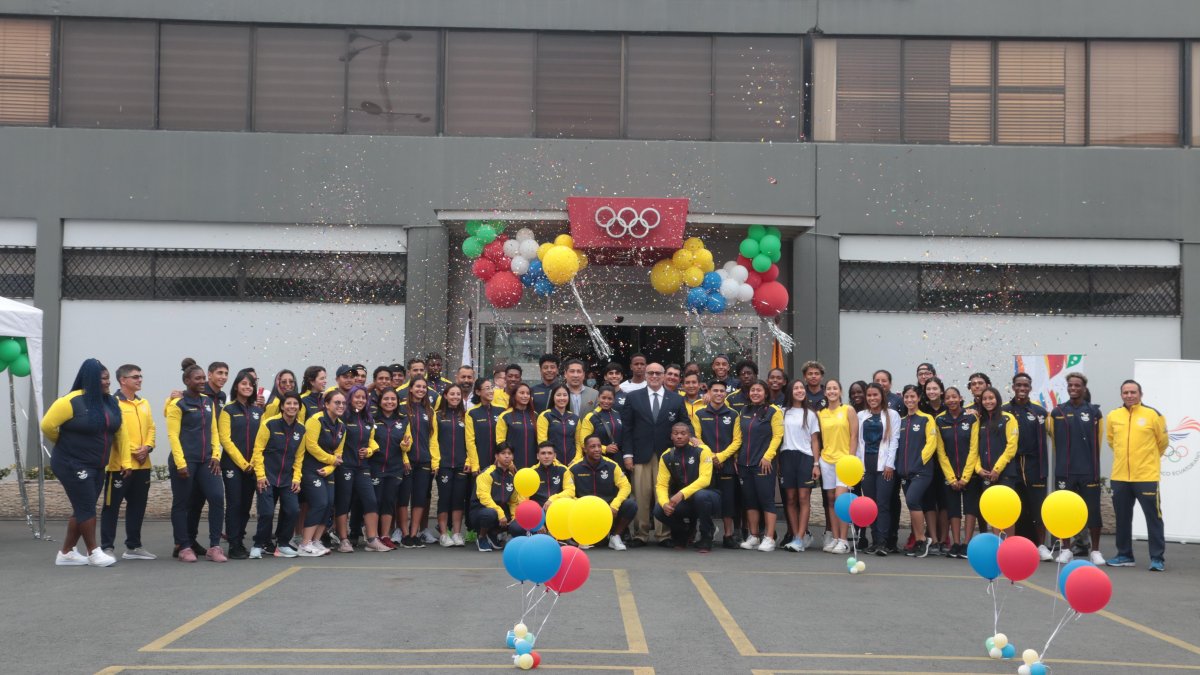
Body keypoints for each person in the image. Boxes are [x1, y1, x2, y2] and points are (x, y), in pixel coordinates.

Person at [42, 358, 127, 567]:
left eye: (108, 378)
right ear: (89, 380)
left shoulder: (110, 402)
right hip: (71, 462)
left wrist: (124, 460)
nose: (108, 383)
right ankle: (93, 552)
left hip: (97, 465)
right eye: (103, 379)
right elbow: (47, 426)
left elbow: (119, 431)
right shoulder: (71, 401)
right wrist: (63, 443)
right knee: (86, 506)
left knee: (83, 506)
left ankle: (66, 553)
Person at [166, 360, 226, 563]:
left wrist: (216, 455)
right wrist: (181, 463)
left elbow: (214, 430)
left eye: (203, 378)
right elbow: (173, 436)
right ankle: (183, 546)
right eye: (197, 378)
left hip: (207, 461)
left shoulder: (208, 402)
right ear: (186, 380)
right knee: (182, 503)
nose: (202, 382)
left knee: (217, 498)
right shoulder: (178, 403)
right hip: (184, 461)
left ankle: (215, 546)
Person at [1105, 380, 1168, 571]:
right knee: (1122, 518)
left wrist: (1147, 460)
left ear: (1141, 394)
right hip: (1120, 477)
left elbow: (1162, 442)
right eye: (1125, 392)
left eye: (1133, 392)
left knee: (1153, 518)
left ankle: (1157, 558)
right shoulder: (1113, 415)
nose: (1129, 395)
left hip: (1146, 477)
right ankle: (1124, 555)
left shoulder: (1153, 415)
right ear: (1121, 395)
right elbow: (1111, 441)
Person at [621, 362, 686, 547]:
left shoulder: (676, 399)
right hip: (640, 454)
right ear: (646, 375)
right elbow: (627, 429)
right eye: (651, 373)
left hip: (666, 456)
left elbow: (685, 424)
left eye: (658, 373)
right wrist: (627, 454)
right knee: (641, 495)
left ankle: (663, 535)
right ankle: (640, 534)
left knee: (663, 496)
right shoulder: (633, 397)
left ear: (664, 375)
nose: (655, 376)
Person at [99, 363, 155, 560]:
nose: (139, 379)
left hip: (143, 465)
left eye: (140, 376)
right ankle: (106, 547)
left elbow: (151, 429)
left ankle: (133, 546)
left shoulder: (144, 403)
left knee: (137, 507)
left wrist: (147, 447)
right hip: (119, 466)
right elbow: (115, 433)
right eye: (135, 377)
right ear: (123, 380)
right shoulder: (112, 402)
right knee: (111, 507)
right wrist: (133, 452)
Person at [1047, 372, 1104, 565]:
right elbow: (1054, 440)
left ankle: (1095, 551)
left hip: (1089, 471)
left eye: (1077, 385)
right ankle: (1066, 549)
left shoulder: (1094, 412)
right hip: (1065, 471)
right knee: (1065, 511)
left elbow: (1100, 441)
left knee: (1093, 511)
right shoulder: (1058, 412)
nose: (1073, 388)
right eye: (1070, 385)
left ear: (1084, 388)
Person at [249, 391, 304, 559]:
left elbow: (299, 456)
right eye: (288, 403)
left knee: (293, 510)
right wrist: (260, 475)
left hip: (288, 479)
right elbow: (257, 451)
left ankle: (283, 543)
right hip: (267, 477)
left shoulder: (301, 429)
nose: (292, 406)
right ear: (282, 406)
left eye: (295, 404)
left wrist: (296, 478)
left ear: (299, 407)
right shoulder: (269, 424)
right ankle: (258, 545)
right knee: (266, 512)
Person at [1004, 372, 1052, 561]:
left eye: (1025, 386)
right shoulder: (1005, 410)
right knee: (1013, 507)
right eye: (1018, 385)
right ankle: (1011, 545)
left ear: (1030, 388)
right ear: (1013, 387)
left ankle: (1040, 546)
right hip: (1012, 465)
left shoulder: (1039, 412)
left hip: (1034, 465)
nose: (1022, 389)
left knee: (1037, 507)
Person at [217, 370, 264, 559]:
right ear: (236, 386)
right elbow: (225, 440)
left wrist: (253, 462)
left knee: (245, 505)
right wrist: (244, 464)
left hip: (252, 466)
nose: (247, 387)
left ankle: (240, 540)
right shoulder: (228, 410)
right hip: (232, 466)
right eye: (243, 383)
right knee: (234, 503)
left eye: (250, 384)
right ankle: (234, 544)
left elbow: (261, 441)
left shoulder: (258, 412)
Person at [336, 385, 388, 552]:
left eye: (363, 397)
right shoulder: (342, 417)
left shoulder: (368, 419)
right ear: (350, 398)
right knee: (344, 503)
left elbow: (371, 441)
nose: (360, 400)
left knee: (371, 501)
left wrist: (370, 450)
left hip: (362, 467)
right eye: (356, 397)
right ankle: (343, 540)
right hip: (345, 466)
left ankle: (372, 539)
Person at [654, 422, 721, 552]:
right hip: (685, 501)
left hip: (709, 496)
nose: (679, 436)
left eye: (683, 433)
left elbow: (705, 480)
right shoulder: (666, 456)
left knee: (701, 496)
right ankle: (683, 533)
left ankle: (706, 536)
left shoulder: (703, 450)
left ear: (689, 436)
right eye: (676, 434)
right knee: (658, 510)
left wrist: (681, 494)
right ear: (671, 436)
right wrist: (664, 503)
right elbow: (661, 485)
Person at [693, 379, 743, 548]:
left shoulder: (733, 414)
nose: (719, 394)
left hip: (726, 464)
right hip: (705, 465)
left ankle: (728, 536)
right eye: (715, 390)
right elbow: (696, 439)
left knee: (728, 502)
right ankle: (706, 534)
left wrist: (720, 457)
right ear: (709, 392)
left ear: (726, 393)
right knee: (704, 501)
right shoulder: (699, 414)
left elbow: (737, 441)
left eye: (722, 391)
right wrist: (711, 457)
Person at [736, 380, 784, 552]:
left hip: (763, 464)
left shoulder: (773, 411)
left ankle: (769, 538)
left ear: (765, 393)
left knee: (766, 500)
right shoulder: (744, 410)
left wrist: (768, 457)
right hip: (744, 464)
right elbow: (739, 437)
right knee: (750, 501)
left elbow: (778, 437)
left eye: (759, 390)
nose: (755, 393)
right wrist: (736, 457)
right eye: (753, 390)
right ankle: (754, 536)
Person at [565, 435, 636, 550]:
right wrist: (578, 502)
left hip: (608, 508)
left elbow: (626, 486)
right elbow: (568, 491)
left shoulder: (612, 465)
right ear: (585, 449)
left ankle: (615, 536)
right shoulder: (574, 468)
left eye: (599, 446)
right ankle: (582, 536)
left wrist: (615, 504)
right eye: (592, 446)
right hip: (585, 509)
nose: (597, 449)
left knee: (631, 505)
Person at [297, 390, 346, 557]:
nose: (341, 406)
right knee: (319, 503)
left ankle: (316, 541)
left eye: (343, 403)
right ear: (326, 404)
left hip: (327, 470)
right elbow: (311, 446)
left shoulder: (341, 426)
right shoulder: (315, 420)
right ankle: (304, 544)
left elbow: (338, 454)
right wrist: (331, 460)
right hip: (311, 469)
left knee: (329, 504)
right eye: (337, 402)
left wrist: (330, 467)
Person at [856, 383, 901, 555]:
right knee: (870, 504)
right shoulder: (861, 415)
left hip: (884, 466)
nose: (872, 398)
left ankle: (882, 542)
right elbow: (858, 442)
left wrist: (890, 464)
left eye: (875, 395)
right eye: (869, 395)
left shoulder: (892, 414)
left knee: (882, 504)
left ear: (882, 396)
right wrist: (859, 466)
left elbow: (894, 441)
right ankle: (874, 541)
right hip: (866, 464)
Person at [935, 387, 979, 559]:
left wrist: (966, 476)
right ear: (944, 400)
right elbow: (941, 452)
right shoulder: (940, 420)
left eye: (954, 397)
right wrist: (952, 477)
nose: (951, 400)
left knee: (970, 508)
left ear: (960, 398)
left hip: (970, 473)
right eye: (948, 398)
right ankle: (955, 543)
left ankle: (967, 543)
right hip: (949, 474)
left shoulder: (972, 417)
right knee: (953, 509)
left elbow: (974, 448)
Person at [779, 379, 821, 552]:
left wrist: (816, 464)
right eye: (795, 388)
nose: (799, 390)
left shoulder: (810, 414)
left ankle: (800, 537)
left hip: (805, 458)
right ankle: (795, 535)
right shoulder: (782, 412)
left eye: (801, 388)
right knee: (790, 499)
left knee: (804, 498)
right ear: (790, 391)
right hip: (786, 456)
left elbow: (814, 440)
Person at [896, 385, 938, 558]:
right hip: (905, 473)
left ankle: (922, 539)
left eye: (913, 397)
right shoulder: (902, 421)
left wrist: (919, 461)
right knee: (912, 504)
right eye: (906, 397)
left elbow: (932, 443)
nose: (909, 400)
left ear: (919, 398)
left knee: (913, 500)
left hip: (921, 471)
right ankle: (919, 540)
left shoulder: (926, 419)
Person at [817, 379, 857, 554]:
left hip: (844, 461)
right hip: (826, 460)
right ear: (825, 392)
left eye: (835, 388)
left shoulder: (848, 410)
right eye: (829, 388)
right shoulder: (821, 414)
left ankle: (844, 540)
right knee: (831, 501)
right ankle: (835, 538)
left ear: (840, 392)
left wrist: (851, 460)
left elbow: (854, 436)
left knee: (842, 501)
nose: (831, 391)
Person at [974, 386, 1019, 535]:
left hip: (1004, 472)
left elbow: (1011, 446)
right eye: (985, 399)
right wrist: (979, 469)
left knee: (1007, 510)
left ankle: (1010, 544)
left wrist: (997, 469)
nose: (988, 401)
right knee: (992, 510)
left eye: (991, 398)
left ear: (997, 399)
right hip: (986, 474)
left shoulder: (1008, 418)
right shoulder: (980, 421)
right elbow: (975, 448)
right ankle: (997, 543)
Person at [432, 384, 471, 547]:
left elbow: (470, 440)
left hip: (462, 465)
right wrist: (436, 462)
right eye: (452, 394)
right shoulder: (438, 415)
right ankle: (443, 534)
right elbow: (433, 440)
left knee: (458, 499)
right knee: (445, 499)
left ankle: (456, 532)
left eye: (458, 394)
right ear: (445, 396)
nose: (455, 397)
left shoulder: (466, 416)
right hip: (444, 465)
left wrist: (469, 460)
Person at [398, 377, 435, 548]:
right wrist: (404, 457)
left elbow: (433, 439)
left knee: (420, 499)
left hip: (425, 461)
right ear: (410, 389)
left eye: (424, 387)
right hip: (407, 461)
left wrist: (434, 461)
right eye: (417, 386)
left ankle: (414, 534)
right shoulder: (402, 409)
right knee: (404, 499)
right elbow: (401, 437)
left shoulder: (429, 411)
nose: (421, 389)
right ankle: (405, 534)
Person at [370, 388, 408, 550]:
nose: (390, 402)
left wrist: (405, 446)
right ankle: (373, 536)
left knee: (388, 502)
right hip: (375, 467)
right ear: (380, 401)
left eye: (393, 399)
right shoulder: (371, 419)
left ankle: (385, 535)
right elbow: (368, 440)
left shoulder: (403, 420)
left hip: (395, 467)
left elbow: (408, 441)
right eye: (386, 399)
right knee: (375, 501)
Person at [470, 444, 525, 552]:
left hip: (500, 513)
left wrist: (514, 517)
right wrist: (500, 513)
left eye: (509, 454)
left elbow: (513, 501)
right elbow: (484, 498)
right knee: (490, 513)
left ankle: (492, 534)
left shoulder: (512, 477)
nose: (507, 456)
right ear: (496, 456)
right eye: (503, 453)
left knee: (517, 525)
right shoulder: (487, 474)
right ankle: (481, 537)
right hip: (480, 512)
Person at [577, 385, 625, 463]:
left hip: (618, 458)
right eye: (603, 398)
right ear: (598, 398)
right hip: (598, 459)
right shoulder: (590, 417)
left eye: (610, 399)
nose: (606, 401)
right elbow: (583, 442)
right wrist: (604, 449)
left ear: (614, 400)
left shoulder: (617, 414)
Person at [497, 382, 538, 470]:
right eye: (522, 393)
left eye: (528, 393)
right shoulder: (505, 416)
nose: (525, 396)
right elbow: (500, 442)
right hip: (512, 465)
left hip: (534, 465)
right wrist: (509, 462)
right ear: (514, 395)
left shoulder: (535, 416)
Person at [537, 384, 581, 465]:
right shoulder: (545, 416)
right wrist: (555, 461)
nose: (562, 398)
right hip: (552, 463)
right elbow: (542, 443)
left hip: (573, 464)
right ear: (553, 397)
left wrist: (576, 460)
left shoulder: (575, 418)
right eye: (558, 395)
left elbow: (578, 442)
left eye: (565, 395)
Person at [529, 441, 569, 509]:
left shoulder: (563, 470)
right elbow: (524, 497)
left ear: (554, 456)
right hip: (538, 512)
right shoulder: (531, 472)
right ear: (538, 456)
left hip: (559, 508)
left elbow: (570, 491)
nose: (546, 456)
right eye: (543, 453)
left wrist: (552, 499)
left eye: (550, 453)